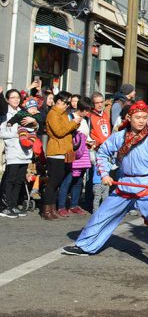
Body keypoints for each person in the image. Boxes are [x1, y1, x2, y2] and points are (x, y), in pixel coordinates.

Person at [62, 101, 148, 276]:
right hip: (124, 185)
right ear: (129, 118)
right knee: (102, 215)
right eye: (138, 117)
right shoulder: (118, 137)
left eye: (144, 118)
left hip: (146, 186)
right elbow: (103, 153)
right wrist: (105, 174)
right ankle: (85, 245)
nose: (141, 121)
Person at [43, 91, 82, 220]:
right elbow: (59, 131)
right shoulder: (53, 113)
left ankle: (53, 208)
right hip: (56, 152)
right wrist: (73, 123)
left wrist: (75, 123)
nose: (67, 105)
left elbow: (66, 129)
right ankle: (47, 210)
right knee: (53, 182)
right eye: (65, 102)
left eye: (68, 103)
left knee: (58, 182)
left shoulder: (64, 114)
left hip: (66, 151)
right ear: (59, 101)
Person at [56, 99, 92, 216]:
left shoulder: (85, 120)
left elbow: (86, 135)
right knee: (68, 178)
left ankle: (74, 205)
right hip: (72, 151)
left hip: (83, 152)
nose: (87, 113)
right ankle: (61, 206)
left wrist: (90, 141)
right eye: (86, 110)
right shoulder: (70, 117)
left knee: (79, 179)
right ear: (81, 109)